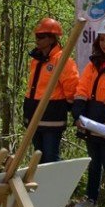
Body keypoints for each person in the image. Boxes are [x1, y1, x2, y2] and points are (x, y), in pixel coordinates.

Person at [71, 17, 105, 207]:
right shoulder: (94, 64)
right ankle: (91, 199)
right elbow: (82, 88)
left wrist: (94, 119)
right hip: (90, 122)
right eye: (102, 39)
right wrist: (78, 113)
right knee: (94, 163)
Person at [22, 17, 79, 163]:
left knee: (51, 158)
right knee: (38, 159)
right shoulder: (36, 60)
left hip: (52, 119)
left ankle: (58, 185)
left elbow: (72, 89)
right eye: (36, 36)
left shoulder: (63, 60)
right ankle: (42, 186)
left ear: (52, 38)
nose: (38, 40)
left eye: (41, 36)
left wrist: (68, 109)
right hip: (34, 116)